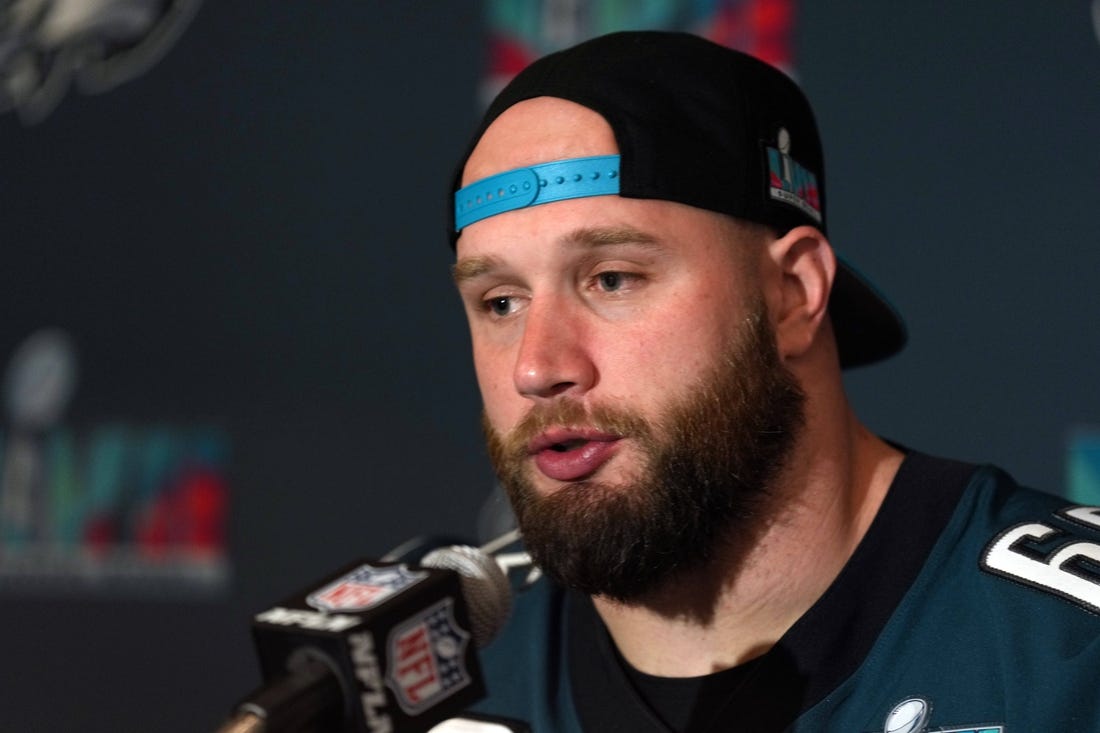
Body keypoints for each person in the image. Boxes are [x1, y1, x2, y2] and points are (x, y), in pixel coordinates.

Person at [445, 31, 1100, 733]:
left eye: (612, 278)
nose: (537, 366)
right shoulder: (419, 665)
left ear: (792, 292)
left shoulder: (1066, 655)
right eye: (501, 302)